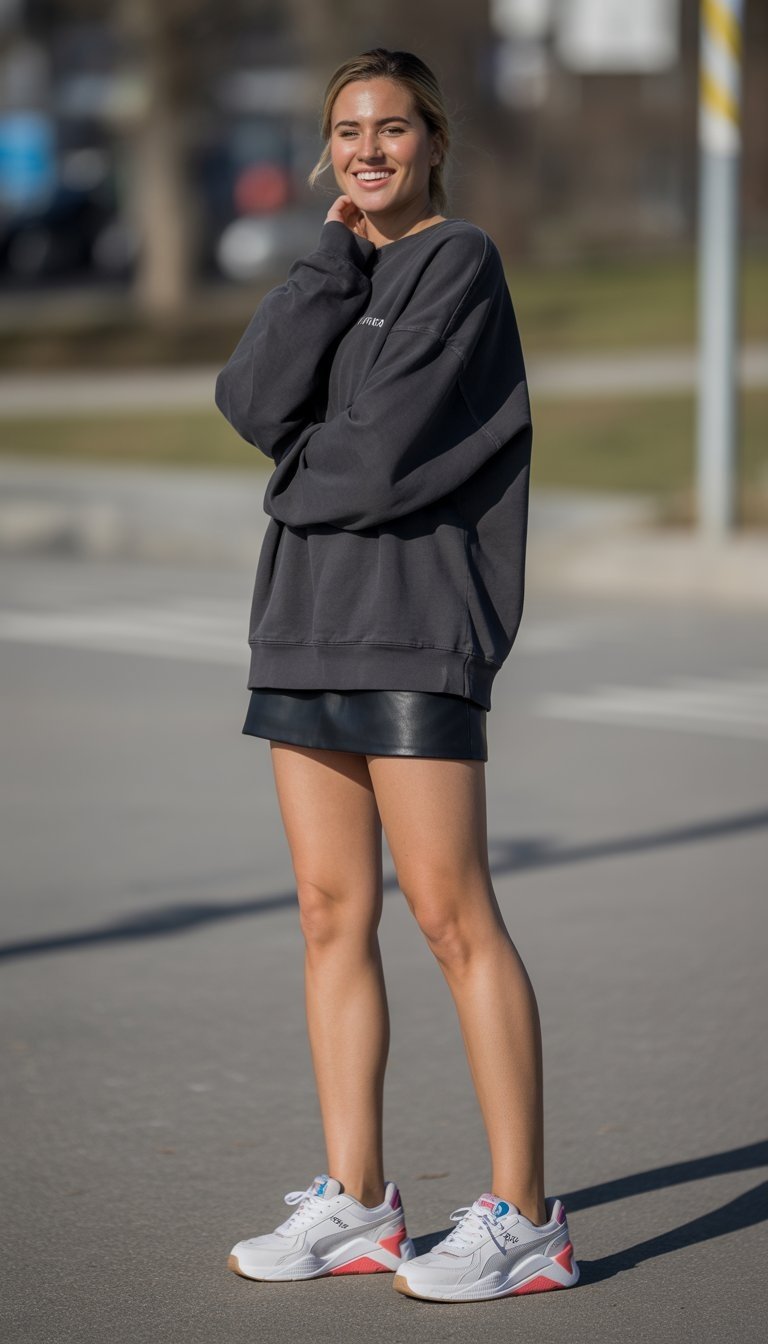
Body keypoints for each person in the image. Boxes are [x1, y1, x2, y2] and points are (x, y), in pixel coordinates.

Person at [214, 46, 579, 1303]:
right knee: (330, 914)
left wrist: (290, 470)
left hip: (417, 630)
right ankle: (358, 1201)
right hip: (303, 623)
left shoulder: (459, 263)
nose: (368, 149)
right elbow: (251, 395)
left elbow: (366, 464)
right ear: (328, 155)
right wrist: (325, 265)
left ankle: (527, 1217)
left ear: (432, 142)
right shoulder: (341, 267)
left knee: (450, 917)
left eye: (391, 129)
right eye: (347, 132)